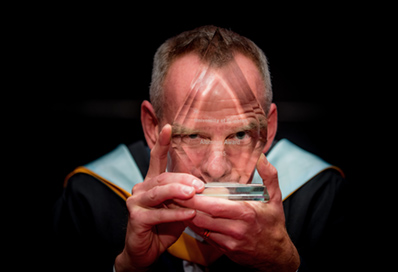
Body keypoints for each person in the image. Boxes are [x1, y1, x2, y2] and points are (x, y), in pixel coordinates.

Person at [53, 25, 347, 272]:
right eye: (193, 135)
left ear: (268, 130)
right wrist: (127, 268)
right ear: (153, 128)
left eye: (240, 134)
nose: (216, 169)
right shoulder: (91, 198)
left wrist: (287, 264)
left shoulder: (319, 194)